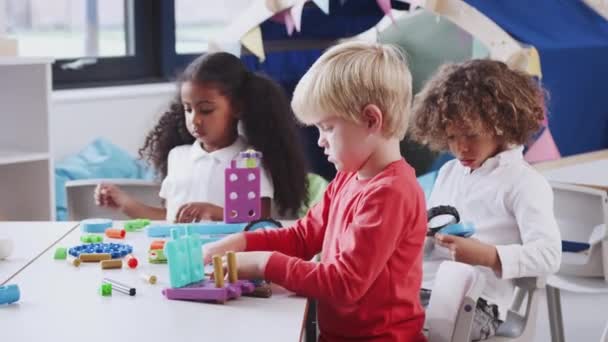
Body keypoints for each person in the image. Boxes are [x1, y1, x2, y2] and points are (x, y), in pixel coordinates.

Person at [204, 41, 427, 341]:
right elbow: (302, 237)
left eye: (327, 128)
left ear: (372, 120)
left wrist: (262, 263)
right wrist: (241, 242)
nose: (320, 141)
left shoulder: (391, 193)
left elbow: (344, 283)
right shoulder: (349, 177)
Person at [409, 59, 561, 340]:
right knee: (370, 313)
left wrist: (489, 256)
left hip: (478, 304)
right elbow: (430, 235)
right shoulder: (450, 171)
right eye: (452, 136)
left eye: (471, 135)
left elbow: (549, 255)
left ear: (502, 123)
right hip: (425, 288)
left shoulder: (524, 182)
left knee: (405, 329)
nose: (461, 147)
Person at [95, 52, 309, 222]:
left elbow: (256, 223)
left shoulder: (246, 160)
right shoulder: (178, 157)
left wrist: (214, 212)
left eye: (206, 110)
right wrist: (124, 202)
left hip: (229, 266)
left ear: (237, 107)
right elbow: (169, 219)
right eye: (188, 109)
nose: (194, 120)